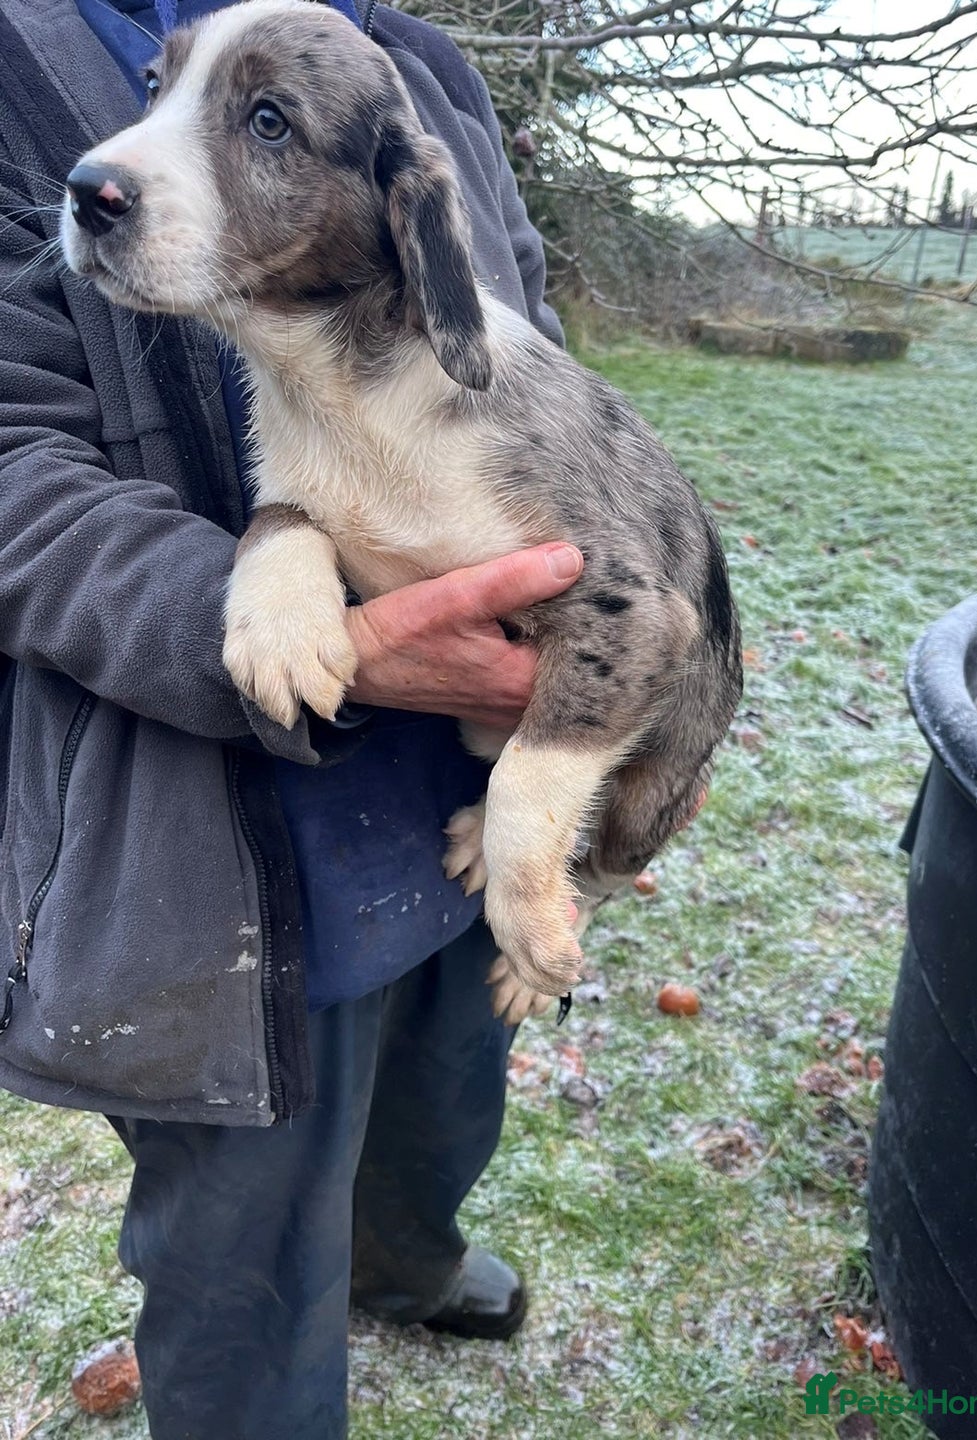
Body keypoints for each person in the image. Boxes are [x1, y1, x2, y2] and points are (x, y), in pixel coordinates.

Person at [0, 1, 583, 1434]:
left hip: (452, 795)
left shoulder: (419, 63)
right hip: (204, 826)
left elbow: (530, 339)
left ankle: (406, 1255)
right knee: (242, 1250)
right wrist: (282, 610)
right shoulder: (21, 61)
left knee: (445, 1097)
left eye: (258, 121)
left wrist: (573, 651)